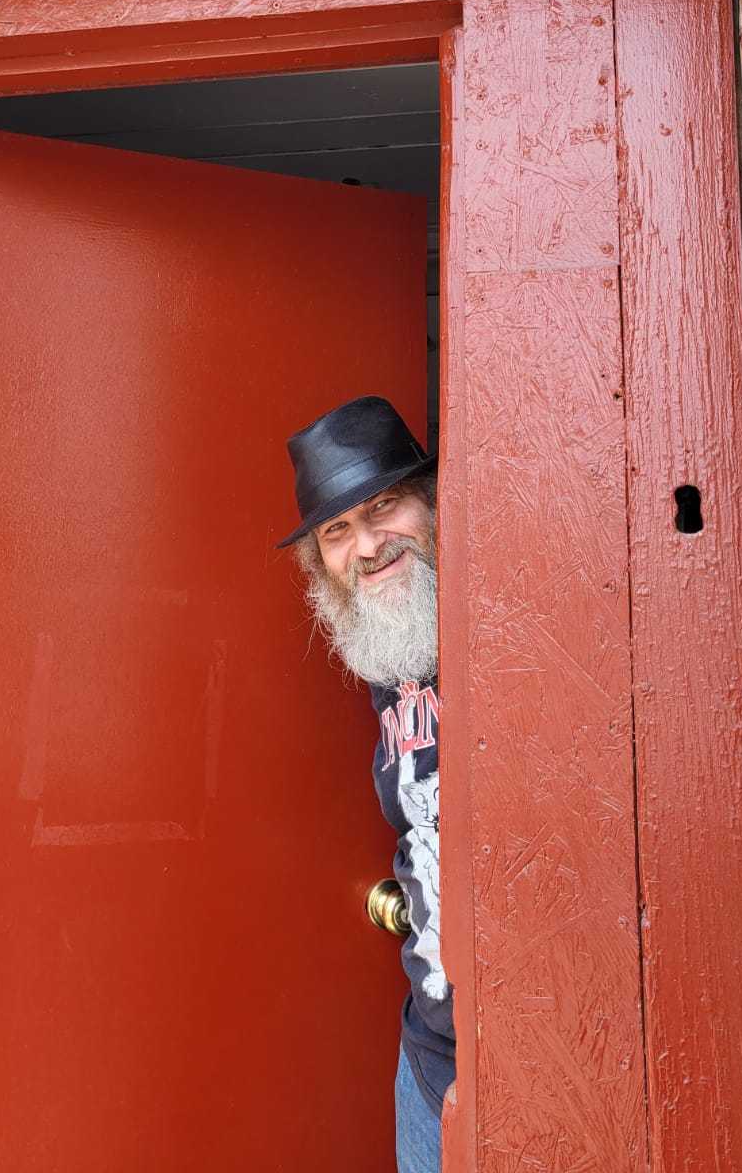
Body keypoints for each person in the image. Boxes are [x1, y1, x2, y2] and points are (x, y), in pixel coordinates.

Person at [277, 395, 452, 1173]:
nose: (369, 546)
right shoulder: (388, 646)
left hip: (532, 1049)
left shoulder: (500, 622)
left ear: (434, 503)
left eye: (385, 507)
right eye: (337, 531)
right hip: (426, 1058)